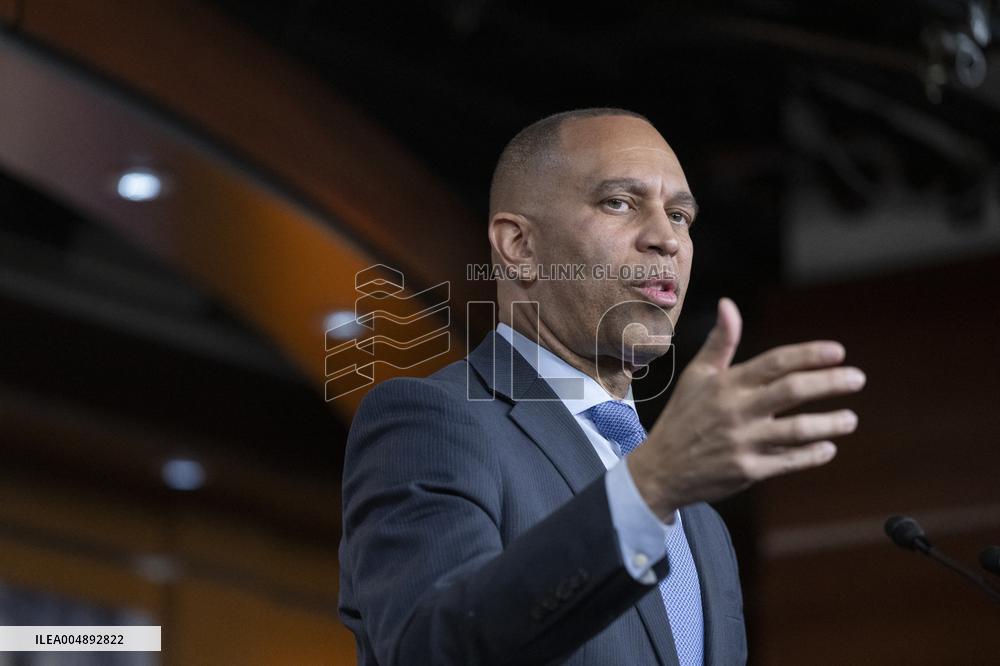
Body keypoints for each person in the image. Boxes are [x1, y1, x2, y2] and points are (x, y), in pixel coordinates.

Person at [338, 108, 866, 665]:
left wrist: (657, 488)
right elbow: (431, 652)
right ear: (519, 245)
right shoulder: (432, 421)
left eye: (680, 215)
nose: (666, 238)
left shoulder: (700, 522)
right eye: (619, 203)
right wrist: (650, 487)